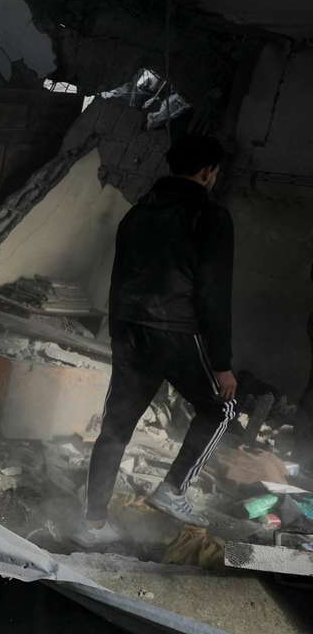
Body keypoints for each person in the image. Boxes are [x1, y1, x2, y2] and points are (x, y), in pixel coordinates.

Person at [74, 135, 237, 547]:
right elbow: (214, 294)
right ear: (208, 172)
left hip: (130, 329)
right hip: (176, 331)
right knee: (221, 407)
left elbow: (118, 278)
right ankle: (173, 489)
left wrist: (118, 334)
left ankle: (92, 524)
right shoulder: (211, 216)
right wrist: (221, 362)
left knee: (116, 426)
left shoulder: (137, 214)